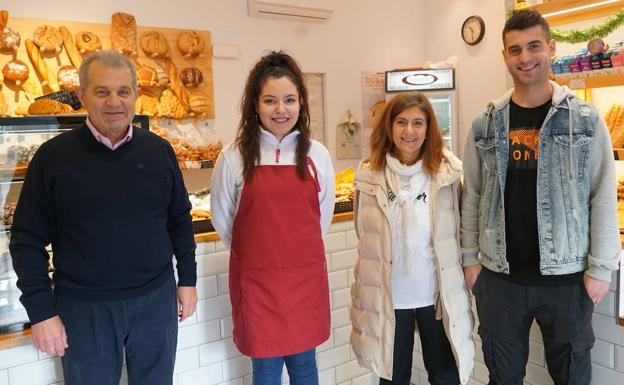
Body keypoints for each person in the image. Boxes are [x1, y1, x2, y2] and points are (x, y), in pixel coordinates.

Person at [10, 50, 198, 385]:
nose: (114, 101)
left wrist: (187, 279)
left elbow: (179, 220)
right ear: (82, 96)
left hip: (155, 301)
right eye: (102, 91)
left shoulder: (159, 151)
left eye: (123, 91)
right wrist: (41, 311)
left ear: (136, 95)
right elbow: (26, 241)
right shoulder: (52, 158)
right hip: (84, 309)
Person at [461, 9, 621, 385]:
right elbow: (473, 195)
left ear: (550, 48)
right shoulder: (485, 123)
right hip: (500, 280)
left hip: (567, 279)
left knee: (572, 378)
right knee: (503, 377)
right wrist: (471, 261)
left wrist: (600, 268)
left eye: (534, 46)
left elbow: (601, 196)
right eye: (514, 49)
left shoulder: (584, 119)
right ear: (504, 56)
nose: (525, 57)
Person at [210, 51, 335, 385]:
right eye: (270, 100)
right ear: (255, 105)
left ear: (301, 104)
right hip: (257, 284)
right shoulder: (234, 156)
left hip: (304, 281)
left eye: (290, 100)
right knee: (265, 371)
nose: (281, 110)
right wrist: (258, 256)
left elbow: (322, 217)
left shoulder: (317, 155)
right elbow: (223, 219)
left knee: (305, 365)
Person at [350, 92, 475, 385]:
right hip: (390, 298)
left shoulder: (449, 173)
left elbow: (461, 230)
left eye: (418, 123)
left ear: (429, 128)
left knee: (446, 376)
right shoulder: (368, 175)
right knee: (393, 379)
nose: (409, 131)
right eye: (401, 122)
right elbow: (364, 232)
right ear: (389, 127)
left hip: (435, 297)